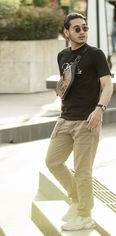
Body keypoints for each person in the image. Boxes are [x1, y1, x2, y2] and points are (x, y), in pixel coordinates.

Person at [45, 12, 113, 231]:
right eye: (77, 29)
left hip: (87, 121)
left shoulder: (96, 55)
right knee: (53, 162)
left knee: (82, 170)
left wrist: (100, 109)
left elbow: (108, 84)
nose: (82, 32)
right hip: (65, 118)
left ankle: (84, 214)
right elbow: (67, 84)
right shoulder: (62, 55)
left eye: (85, 28)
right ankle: (77, 200)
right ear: (66, 32)